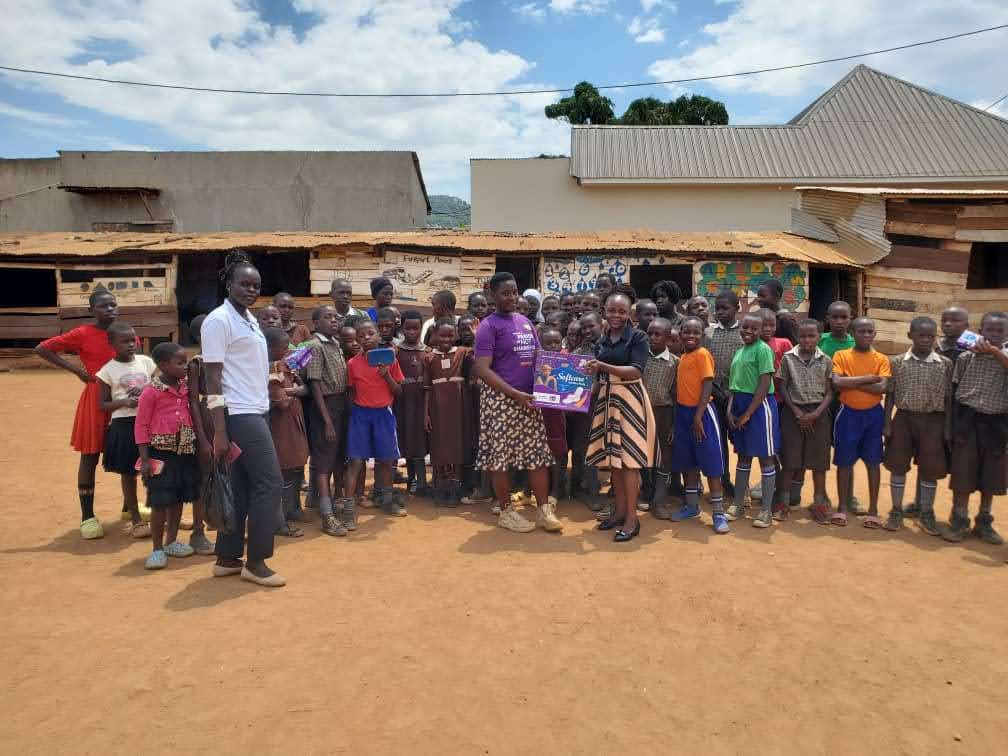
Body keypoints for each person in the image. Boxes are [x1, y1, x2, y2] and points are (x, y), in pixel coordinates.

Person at [201, 251, 285, 587]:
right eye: (244, 284)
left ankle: (227, 556)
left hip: (256, 408)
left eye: (256, 285)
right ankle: (257, 561)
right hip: (238, 414)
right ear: (229, 283)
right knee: (270, 482)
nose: (251, 289)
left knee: (243, 483)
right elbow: (212, 378)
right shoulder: (218, 320)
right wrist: (220, 430)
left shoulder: (248, 319)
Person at [473, 272, 561, 533]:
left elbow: (539, 359)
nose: (511, 297)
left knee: (537, 455)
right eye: (505, 293)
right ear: (493, 295)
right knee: (500, 458)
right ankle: (506, 511)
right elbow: (481, 369)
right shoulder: (488, 327)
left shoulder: (525, 323)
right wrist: (514, 394)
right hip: (500, 401)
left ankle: (544, 511)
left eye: (514, 292)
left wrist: (558, 384)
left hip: (528, 400)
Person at [35, 288, 125, 540]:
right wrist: (76, 370)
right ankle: (87, 516)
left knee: (127, 452)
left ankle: (130, 509)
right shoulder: (82, 334)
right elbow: (42, 348)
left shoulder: (124, 332)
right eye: (104, 305)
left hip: (123, 400)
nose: (110, 309)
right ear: (91, 310)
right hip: (96, 399)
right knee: (90, 456)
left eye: (113, 304)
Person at [882, 317, 952, 534]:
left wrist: (947, 428)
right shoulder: (898, 362)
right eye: (921, 335)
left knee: (930, 469)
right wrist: (887, 423)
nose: (926, 339)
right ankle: (895, 510)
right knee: (897, 465)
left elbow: (949, 398)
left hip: (934, 420)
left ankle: (926, 512)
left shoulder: (944, 364)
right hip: (903, 418)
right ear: (910, 335)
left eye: (931, 336)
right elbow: (890, 395)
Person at [135, 343, 201, 570]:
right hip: (160, 454)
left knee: (179, 499)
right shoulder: (150, 392)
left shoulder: (186, 387)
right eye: (180, 363)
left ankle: (171, 541)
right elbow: (141, 426)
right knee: (161, 502)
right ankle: (156, 549)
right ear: (163, 365)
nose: (184, 367)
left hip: (185, 451)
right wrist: (144, 459)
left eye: (185, 362)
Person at [944, 312, 1008, 544]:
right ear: (980, 331)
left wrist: (993, 351)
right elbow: (952, 393)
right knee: (963, 472)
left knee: (990, 474)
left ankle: (984, 521)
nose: (994, 334)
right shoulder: (965, 358)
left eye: (1000, 330)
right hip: (967, 420)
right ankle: (959, 519)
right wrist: (950, 427)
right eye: (989, 330)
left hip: (997, 423)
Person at [903, 305, 970, 518]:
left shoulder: (972, 348)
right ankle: (919, 503)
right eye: (945, 320)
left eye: (955, 320)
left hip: (963, 412)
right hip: (936, 412)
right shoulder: (935, 347)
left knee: (959, 464)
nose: (948, 324)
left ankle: (959, 513)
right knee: (926, 459)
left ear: (967, 326)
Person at [95, 321, 156, 539]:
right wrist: (123, 403)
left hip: (151, 422)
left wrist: (147, 387)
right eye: (125, 341)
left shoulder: (146, 362)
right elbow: (102, 404)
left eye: (133, 339)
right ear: (111, 344)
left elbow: (158, 382)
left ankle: (159, 511)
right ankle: (136, 519)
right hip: (124, 425)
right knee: (129, 472)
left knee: (156, 468)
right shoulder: (106, 371)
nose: (131, 344)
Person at [669, 317, 728, 533]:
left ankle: (719, 513)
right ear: (681, 334)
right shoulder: (683, 356)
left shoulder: (703, 355)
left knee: (711, 464)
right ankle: (692, 506)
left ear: (703, 335)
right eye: (687, 332)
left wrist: (698, 415)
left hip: (702, 413)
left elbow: (707, 385)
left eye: (696, 332)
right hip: (684, 413)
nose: (691, 336)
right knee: (689, 462)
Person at [830, 317, 890, 528]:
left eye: (869, 331)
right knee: (844, 463)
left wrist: (852, 382)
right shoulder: (842, 355)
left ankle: (873, 510)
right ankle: (842, 508)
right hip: (847, 416)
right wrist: (867, 379)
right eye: (861, 331)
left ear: (874, 334)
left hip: (874, 416)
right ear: (852, 334)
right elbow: (837, 382)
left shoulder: (881, 358)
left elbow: (882, 388)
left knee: (873, 463)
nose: (866, 335)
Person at [345, 319, 406, 517]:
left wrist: (386, 375)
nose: (366, 338)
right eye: (361, 336)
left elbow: (398, 391)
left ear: (378, 334)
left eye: (370, 333)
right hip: (361, 415)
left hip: (383, 415)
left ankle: (387, 501)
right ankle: (348, 509)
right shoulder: (353, 363)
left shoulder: (390, 359)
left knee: (386, 460)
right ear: (357, 339)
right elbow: (351, 392)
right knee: (355, 461)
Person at [775, 319, 834, 524]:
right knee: (790, 460)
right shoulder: (788, 358)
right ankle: (783, 502)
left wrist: (815, 413)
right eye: (802, 336)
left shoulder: (826, 360)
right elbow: (782, 387)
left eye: (812, 336)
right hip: (793, 414)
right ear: (797, 337)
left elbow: (829, 392)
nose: (807, 340)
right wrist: (797, 412)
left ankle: (818, 503)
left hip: (819, 414)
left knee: (819, 462)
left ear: (819, 336)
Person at [726, 312, 780, 528]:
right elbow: (733, 385)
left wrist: (749, 413)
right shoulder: (740, 351)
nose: (748, 331)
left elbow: (765, 383)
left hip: (759, 407)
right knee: (744, 456)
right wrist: (730, 410)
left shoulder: (763, 350)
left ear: (761, 331)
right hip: (739, 404)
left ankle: (766, 511)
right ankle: (739, 503)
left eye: (753, 328)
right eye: (745, 327)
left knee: (766, 457)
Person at [305, 305, 350, 537]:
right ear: (315, 322)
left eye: (336, 317)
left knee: (336, 457)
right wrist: (327, 421)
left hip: (340, 405)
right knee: (323, 461)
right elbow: (314, 385)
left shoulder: (335, 344)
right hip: (326, 407)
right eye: (327, 317)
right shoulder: (315, 346)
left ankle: (333, 502)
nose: (334, 321)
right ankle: (326, 515)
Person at [263, 327, 310, 538]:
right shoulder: (272, 368)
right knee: (282, 471)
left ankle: (292, 510)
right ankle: (278, 521)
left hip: (293, 421)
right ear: (270, 348)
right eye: (283, 347)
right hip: (280, 425)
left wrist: (292, 392)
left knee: (295, 468)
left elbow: (304, 387)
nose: (287, 350)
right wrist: (294, 393)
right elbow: (280, 402)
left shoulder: (285, 364)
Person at [423, 318, 472, 505]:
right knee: (439, 444)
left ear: (456, 335)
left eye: (450, 335)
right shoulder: (428, 357)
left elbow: (479, 354)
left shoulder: (462, 352)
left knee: (457, 443)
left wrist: (474, 335)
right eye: (442, 335)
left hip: (458, 406)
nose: (446, 339)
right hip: (437, 407)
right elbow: (426, 389)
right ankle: (440, 485)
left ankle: (456, 486)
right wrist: (425, 414)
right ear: (434, 335)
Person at [184, 314, 222, 542]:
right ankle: (198, 530)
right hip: (208, 418)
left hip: (227, 415)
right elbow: (192, 402)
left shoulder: (226, 357)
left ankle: (220, 519)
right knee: (205, 475)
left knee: (227, 473)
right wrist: (203, 439)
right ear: (201, 336)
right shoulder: (197, 362)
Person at [704, 289, 743, 500]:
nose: (719, 312)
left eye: (725, 308)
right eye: (717, 308)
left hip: (737, 395)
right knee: (718, 442)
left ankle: (742, 482)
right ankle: (723, 480)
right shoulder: (708, 334)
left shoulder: (743, 333)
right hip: (713, 395)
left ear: (737, 308)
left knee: (742, 441)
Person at [642, 317, 679, 520]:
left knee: (664, 457)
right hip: (640, 411)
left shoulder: (674, 362)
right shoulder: (640, 357)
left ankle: (659, 500)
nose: (653, 337)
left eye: (658, 334)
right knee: (642, 454)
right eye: (650, 333)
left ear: (667, 337)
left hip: (663, 413)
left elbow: (675, 395)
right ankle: (645, 493)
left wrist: (673, 424)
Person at [568, 311, 602, 508]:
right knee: (586, 448)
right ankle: (588, 491)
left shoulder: (610, 348)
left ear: (601, 324)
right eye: (584, 328)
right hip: (586, 409)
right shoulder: (578, 354)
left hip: (610, 405)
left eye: (591, 326)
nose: (588, 330)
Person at [538, 327, 569, 505]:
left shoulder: (568, 360)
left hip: (557, 415)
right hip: (537, 413)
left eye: (556, 342)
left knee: (557, 450)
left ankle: (556, 491)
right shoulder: (537, 361)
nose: (553, 346)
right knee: (538, 449)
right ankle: (531, 489)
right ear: (541, 344)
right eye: (548, 343)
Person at [756, 278, 798, 344]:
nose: (758, 299)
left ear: (777, 297)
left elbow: (795, 346)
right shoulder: (762, 316)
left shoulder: (786, 320)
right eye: (758, 296)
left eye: (762, 296)